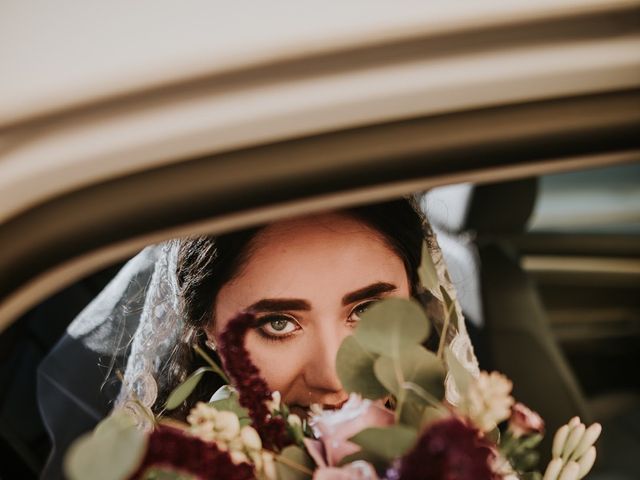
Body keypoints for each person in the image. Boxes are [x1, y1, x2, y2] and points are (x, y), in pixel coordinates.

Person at [38, 196, 479, 476]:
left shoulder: (463, 455)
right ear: (208, 329)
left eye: (367, 311)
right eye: (279, 323)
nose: (334, 378)